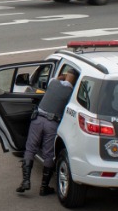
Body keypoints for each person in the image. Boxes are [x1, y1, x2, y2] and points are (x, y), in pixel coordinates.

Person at [18, 67, 78, 196]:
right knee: (49, 154)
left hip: (38, 119)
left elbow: (58, 79)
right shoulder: (71, 92)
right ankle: (44, 188)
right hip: (52, 123)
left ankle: (26, 181)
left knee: (30, 149)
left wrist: (63, 76)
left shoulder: (53, 83)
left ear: (67, 75)